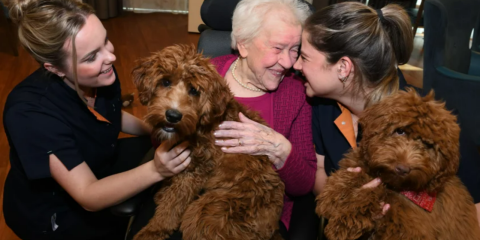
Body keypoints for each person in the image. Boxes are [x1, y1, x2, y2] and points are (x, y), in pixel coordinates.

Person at [2, 0, 191, 239]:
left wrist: (153, 130)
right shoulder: (30, 114)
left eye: (105, 40)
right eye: (92, 56)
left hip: (99, 162)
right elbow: (88, 195)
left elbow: (110, 114)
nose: (110, 56)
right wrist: (156, 170)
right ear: (56, 69)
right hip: (56, 215)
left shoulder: (100, 75)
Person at [293, 1, 480, 226]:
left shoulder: (432, 121)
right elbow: (320, 171)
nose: (295, 65)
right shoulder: (322, 106)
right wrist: (350, 205)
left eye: (304, 57)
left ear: (343, 67)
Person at [210, 0, 317, 236]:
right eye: (278, 48)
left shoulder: (298, 93)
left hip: (260, 215)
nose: (289, 63)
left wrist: (279, 149)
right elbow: (164, 142)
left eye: (294, 49)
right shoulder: (205, 77)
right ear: (243, 44)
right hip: (201, 203)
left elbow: (304, 185)